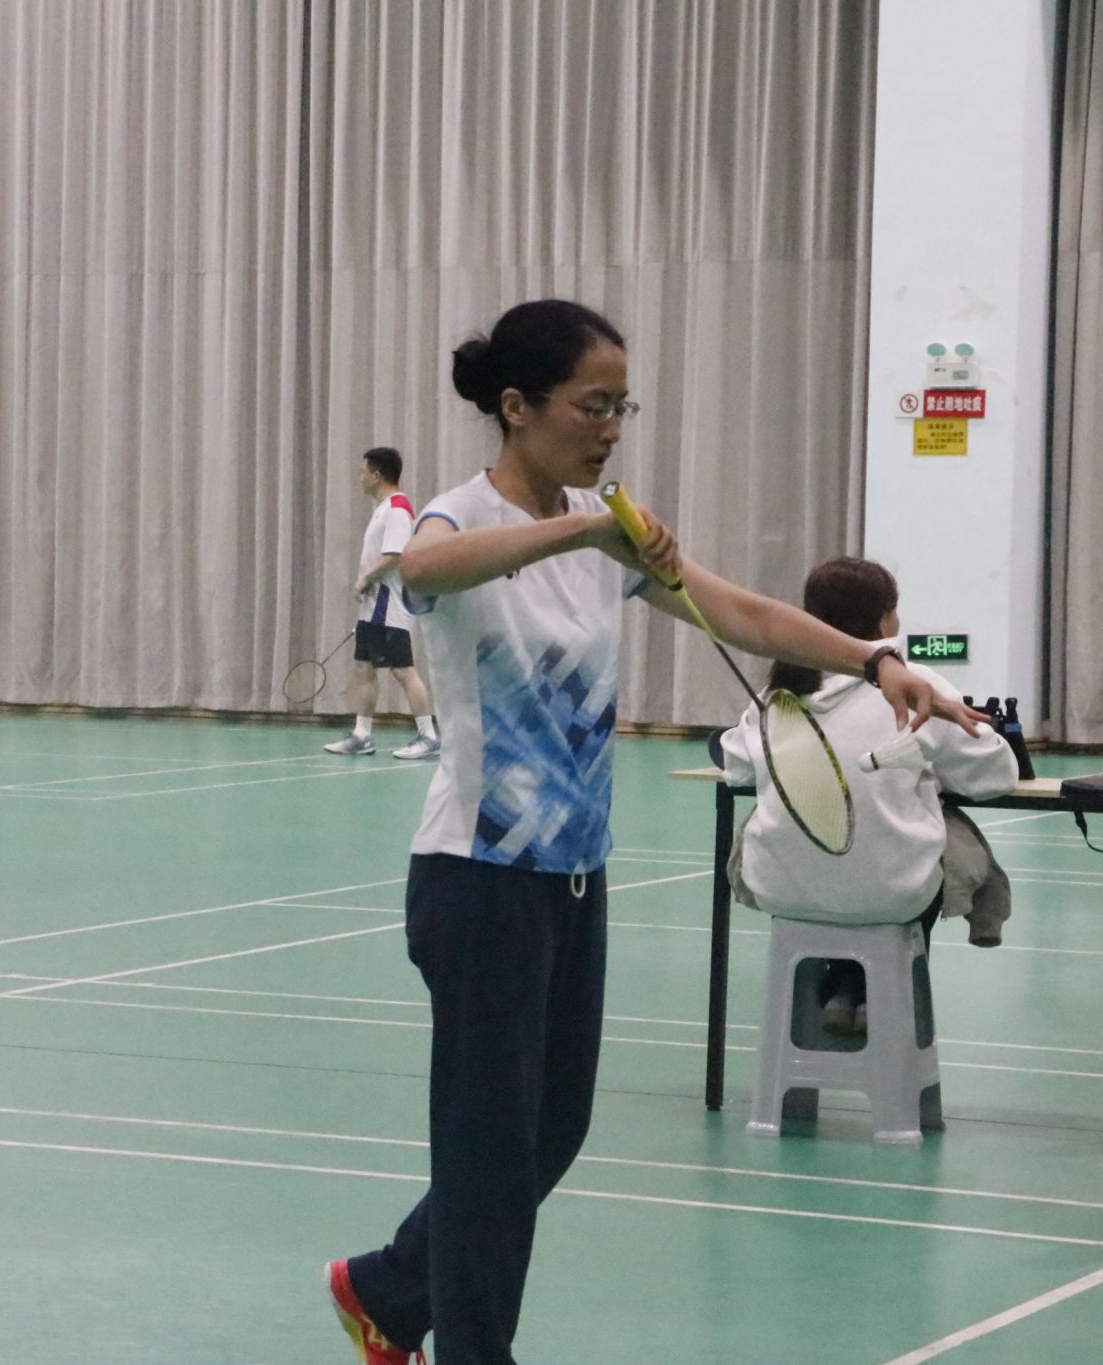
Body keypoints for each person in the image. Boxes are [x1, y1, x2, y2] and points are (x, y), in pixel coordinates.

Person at [323, 299, 981, 1365]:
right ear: (516, 406)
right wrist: (585, 529)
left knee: (551, 1131)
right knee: (489, 1154)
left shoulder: (608, 532)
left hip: (572, 879)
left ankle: (388, 1290)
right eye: (592, 406)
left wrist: (876, 660)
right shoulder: (459, 515)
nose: (610, 428)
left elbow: (742, 612)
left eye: (620, 407)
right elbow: (423, 573)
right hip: (479, 878)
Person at [720, 557, 1017, 1033]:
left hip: (779, 888)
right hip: (894, 893)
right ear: (883, 621)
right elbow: (995, 775)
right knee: (949, 839)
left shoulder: (777, 692)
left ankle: (843, 988)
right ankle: (866, 996)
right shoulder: (918, 684)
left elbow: (735, 767)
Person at [323, 446, 441, 760]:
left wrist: (365, 578)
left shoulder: (398, 509)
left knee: (402, 670)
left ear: (376, 475)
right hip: (373, 604)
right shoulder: (383, 508)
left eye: (363, 472)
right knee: (364, 667)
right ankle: (362, 735)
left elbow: (395, 555)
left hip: (388, 604)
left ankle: (428, 736)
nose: (359, 478)